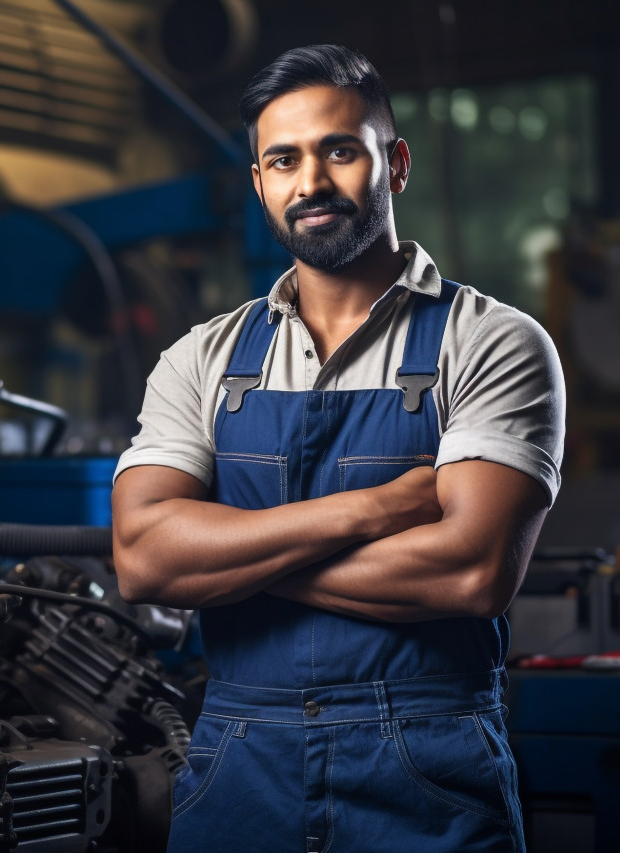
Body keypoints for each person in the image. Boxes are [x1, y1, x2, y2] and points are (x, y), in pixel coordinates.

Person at [111, 44, 565, 852]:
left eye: (340, 151)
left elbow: (471, 571)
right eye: (284, 160)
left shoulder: (490, 342)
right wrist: (377, 508)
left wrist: (229, 563)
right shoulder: (201, 358)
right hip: (239, 765)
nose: (311, 182)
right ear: (260, 182)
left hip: (427, 770)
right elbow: (145, 559)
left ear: (396, 164)